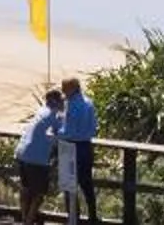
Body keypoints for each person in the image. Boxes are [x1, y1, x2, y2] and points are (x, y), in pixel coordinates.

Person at [16, 87, 66, 225]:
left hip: (22, 153)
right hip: (36, 158)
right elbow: (64, 133)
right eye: (62, 100)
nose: (64, 103)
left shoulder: (40, 111)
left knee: (26, 190)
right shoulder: (55, 115)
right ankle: (28, 221)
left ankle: (25, 219)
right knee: (38, 194)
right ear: (56, 102)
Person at [61, 75, 100, 220]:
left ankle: (73, 219)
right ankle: (93, 217)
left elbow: (68, 131)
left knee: (68, 186)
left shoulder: (70, 105)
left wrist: (55, 134)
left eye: (64, 88)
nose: (63, 91)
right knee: (87, 185)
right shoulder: (89, 103)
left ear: (72, 89)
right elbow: (94, 127)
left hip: (71, 147)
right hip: (86, 147)